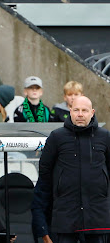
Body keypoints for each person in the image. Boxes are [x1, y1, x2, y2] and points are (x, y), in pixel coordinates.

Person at [34, 96, 110, 243]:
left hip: (98, 219)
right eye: (76, 110)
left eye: (84, 110)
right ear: (70, 111)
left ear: (92, 112)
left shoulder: (105, 136)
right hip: (66, 219)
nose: (80, 114)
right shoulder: (57, 137)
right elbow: (45, 173)